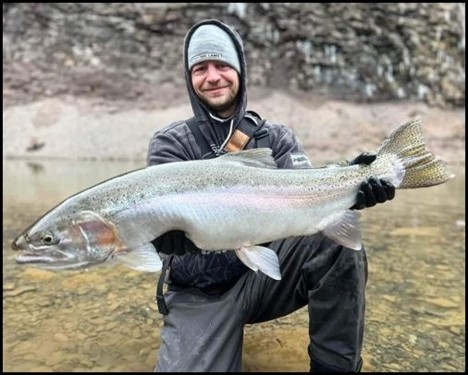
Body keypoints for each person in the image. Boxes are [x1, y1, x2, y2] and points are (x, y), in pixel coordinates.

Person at [146, 19, 395, 372]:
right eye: (200, 68)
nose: (212, 76)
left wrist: (352, 181)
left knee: (335, 242)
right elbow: (148, 227)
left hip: (263, 278)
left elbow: (307, 191)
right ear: (190, 79)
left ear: (240, 71)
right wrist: (164, 241)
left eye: (222, 65)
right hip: (199, 290)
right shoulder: (170, 144)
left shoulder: (277, 138)